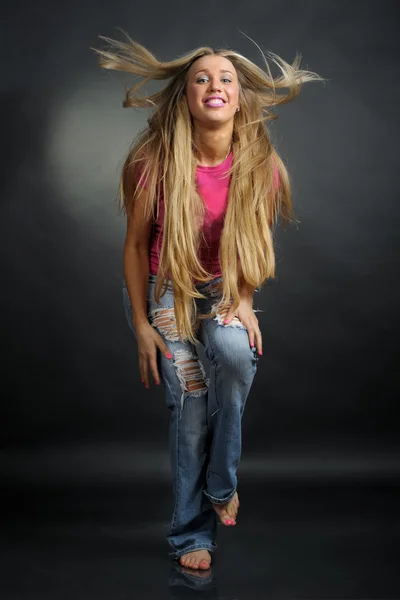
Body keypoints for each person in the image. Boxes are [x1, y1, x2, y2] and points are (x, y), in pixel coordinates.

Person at [92, 31, 323, 571]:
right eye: (201, 78)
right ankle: (190, 535)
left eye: (226, 78)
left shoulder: (261, 165)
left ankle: (223, 481)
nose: (214, 85)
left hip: (223, 287)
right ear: (187, 96)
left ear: (239, 96)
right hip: (167, 291)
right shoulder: (154, 162)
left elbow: (252, 243)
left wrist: (242, 297)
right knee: (192, 411)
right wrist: (143, 327)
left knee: (238, 354)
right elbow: (132, 245)